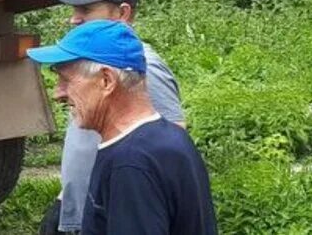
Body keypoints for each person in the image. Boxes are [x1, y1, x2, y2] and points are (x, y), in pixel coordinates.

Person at [28, 21, 216, 235]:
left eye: (66, 80)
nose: (58, 94)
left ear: (106, 80)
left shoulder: (130, 163)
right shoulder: (169, 138)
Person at [41, 0, 186, 235]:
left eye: (85, 9)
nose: (74, 19)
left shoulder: (143, 67)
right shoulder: (90, 62)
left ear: (122, 13)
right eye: (74, 10)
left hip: (109, 212)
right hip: (78, 208)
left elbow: (172, 141)